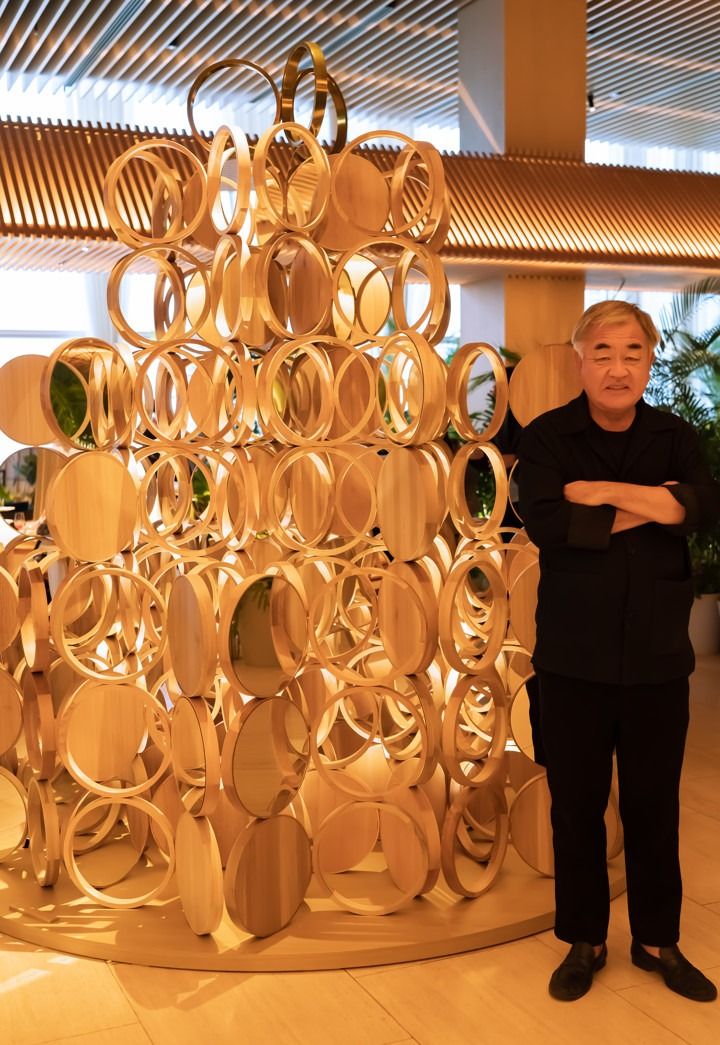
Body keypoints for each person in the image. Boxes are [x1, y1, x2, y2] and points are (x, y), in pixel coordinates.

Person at [517, 299, 720, 1003]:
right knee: (575, 807)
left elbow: (700, 506)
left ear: (649, 360)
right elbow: (550, 523)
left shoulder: (675, 435)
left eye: (633, 352)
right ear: (580, 359)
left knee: (654, 805)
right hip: (573, 660)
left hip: (660, 658)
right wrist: (653, 504)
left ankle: (657, 940)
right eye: (603, 352)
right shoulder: (547, 438)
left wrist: (601, 496)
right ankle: (585, 938)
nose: (617, 366)